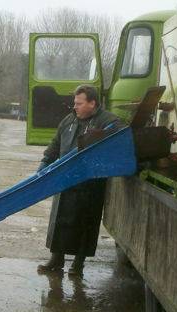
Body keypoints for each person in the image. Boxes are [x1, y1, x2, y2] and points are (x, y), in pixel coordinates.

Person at [37, 84, 119, 276]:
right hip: (66, 180)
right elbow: (56, 143)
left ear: (92, 103)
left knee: (85, 223)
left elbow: (120, 134)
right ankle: (56, 259)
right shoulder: (69, 120)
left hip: (90, 184)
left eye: (79, 103)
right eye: (75, 103)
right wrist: (45, 161)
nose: (75, 107)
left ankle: (78, 264)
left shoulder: (107, 120)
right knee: (61, 220)